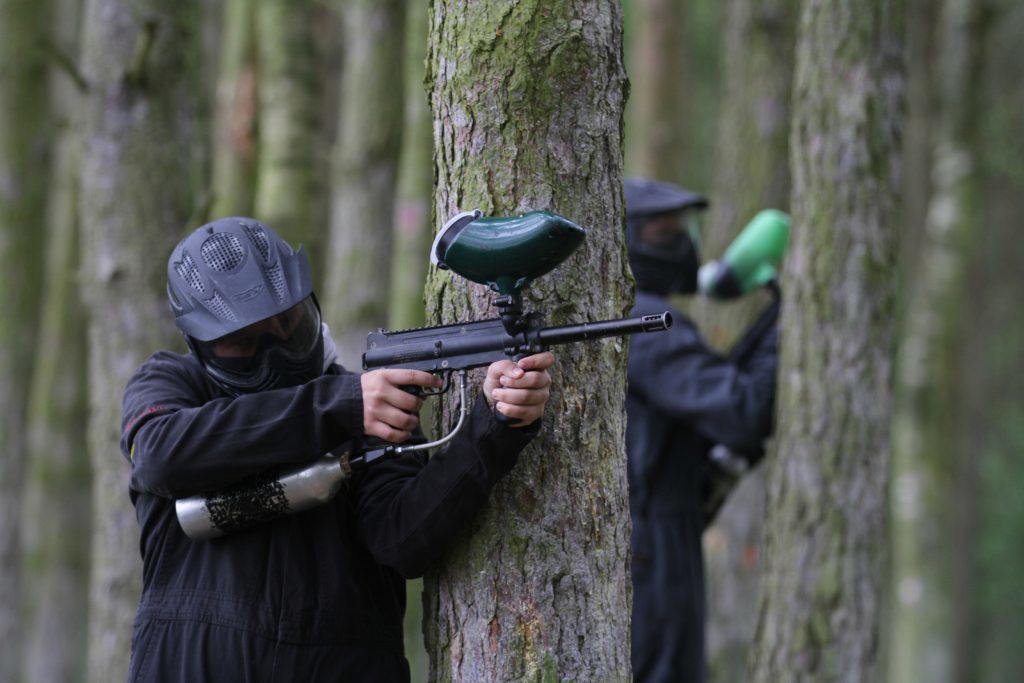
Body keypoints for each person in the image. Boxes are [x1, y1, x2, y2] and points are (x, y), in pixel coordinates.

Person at [120, 216, 554, 681]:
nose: (277, 353)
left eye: (289, 326)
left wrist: (495, 425)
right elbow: (160, 455)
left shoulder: (367, 404)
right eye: (243, 344)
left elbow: (402, 540)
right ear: (201, 344)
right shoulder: (174, 383)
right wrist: (337, 407)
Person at [623, 178, 779, 683]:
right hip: (652, 546)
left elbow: (726, 396)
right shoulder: (643, 322)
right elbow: (741, 410)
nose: (683, 245)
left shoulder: (637, 319)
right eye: (663, 233)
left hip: (658, 539)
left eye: (683, 230)